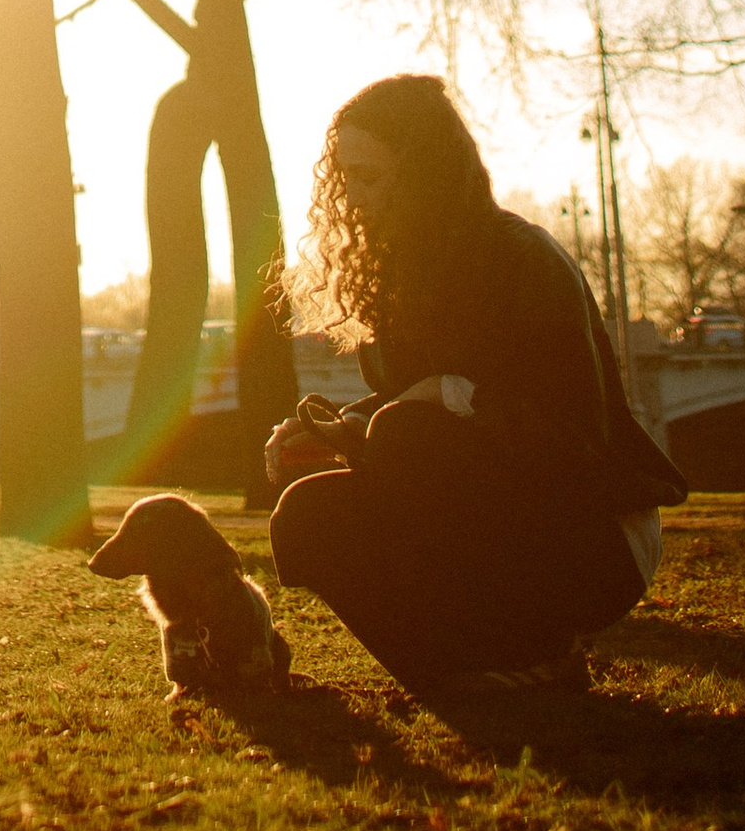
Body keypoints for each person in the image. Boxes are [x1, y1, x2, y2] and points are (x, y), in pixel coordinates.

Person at [265, 72, 686, 695]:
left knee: (407, 434)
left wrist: (443, 395)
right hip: (490, 516)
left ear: (424, 175)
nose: (351, 199)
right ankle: (459, 674)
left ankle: (538, 654)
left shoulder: (524, 260)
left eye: (370, 177)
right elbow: (407, 405)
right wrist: (337, 427)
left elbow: (570, 435)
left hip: (592, 534)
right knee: (307, 517)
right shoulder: (399, 273)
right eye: (344, 178)